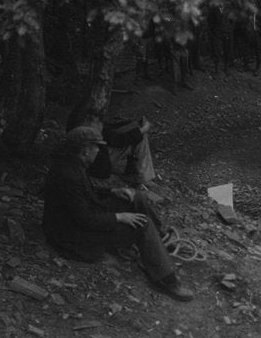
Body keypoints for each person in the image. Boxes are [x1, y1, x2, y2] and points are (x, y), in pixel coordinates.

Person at [42, 127, 194, 301]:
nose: (99, 151)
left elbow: (84, 194)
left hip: (81, 220)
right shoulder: (68, 174)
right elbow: (85, 220)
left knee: (135, 197)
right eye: (96, 147)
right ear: (85, 151)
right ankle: (167, 280)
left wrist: (113, 190)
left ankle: (159, 239)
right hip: (72, 236)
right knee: (142, 225)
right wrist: (120, 217)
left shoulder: (71, 164)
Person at [66, 102, 158, 187]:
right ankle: (142, 177)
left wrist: (128, 124)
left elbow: (109, 133)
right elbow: (117, 140)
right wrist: (142, 130)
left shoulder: (82, 117)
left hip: (92, 158)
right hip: (97, 164)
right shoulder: (90, 126)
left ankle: (136, 174)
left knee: (137, 135)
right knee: (140, 137)